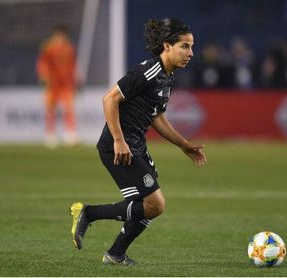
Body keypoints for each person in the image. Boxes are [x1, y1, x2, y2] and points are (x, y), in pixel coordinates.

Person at [69, 18, 207, 265]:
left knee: (147, 206)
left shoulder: (168, 77)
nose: (191, 53)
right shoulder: (148, 71)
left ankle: (115, 254)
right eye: (185, 46)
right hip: (118, 146)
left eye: (191, 47)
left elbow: (156, 117)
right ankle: (88, 213)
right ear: (167, 45)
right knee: (155, 205)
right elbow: (109, 99)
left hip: (136, 145)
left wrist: (183, 144)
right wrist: (119, 141)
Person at [36, 25, 79, 147]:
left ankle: (70, 135)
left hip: (66, 84)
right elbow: (42, 63)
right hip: (52, 84)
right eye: (59, 35)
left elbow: (72, 66)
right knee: (50, 109)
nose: (60, 38)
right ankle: (50, 135)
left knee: (68, 109)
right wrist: (43, 76)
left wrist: (75, 80)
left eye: (62, 35)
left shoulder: (69, 48)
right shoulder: (48, 47)